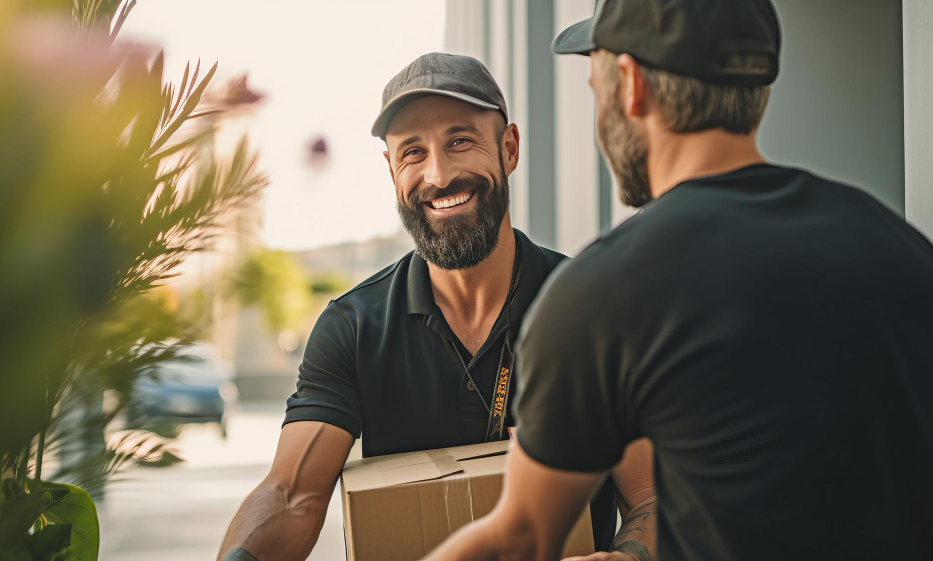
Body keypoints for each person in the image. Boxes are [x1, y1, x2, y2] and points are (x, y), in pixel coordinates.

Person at [424, 1, 933, 560]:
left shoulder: (601, 295)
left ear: (629, 83)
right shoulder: (901, 248)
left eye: (594, 79)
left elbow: (521, 538)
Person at [216, 53, 657, 561]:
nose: (439, 174)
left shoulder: (591, 310)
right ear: (391, 170)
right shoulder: (353, 329)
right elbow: (291, 496)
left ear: (508, 149)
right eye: (412, 152)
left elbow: (651, 498)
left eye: (460, 141)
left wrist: (630, 558)